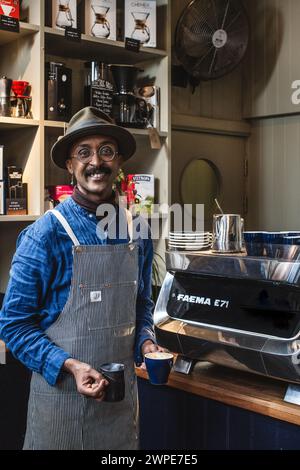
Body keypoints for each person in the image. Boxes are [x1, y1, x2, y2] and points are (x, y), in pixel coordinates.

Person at [0, 107, 163, 450]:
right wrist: (69, 365)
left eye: (106, 150)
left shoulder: (138, 232)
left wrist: (146, 341)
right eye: (84, 152)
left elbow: (141, 305)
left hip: (119, 413)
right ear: (70, 165)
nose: (96, 162)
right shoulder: (43, 236)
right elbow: (13, 325)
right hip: (60, 407)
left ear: (118, 162)